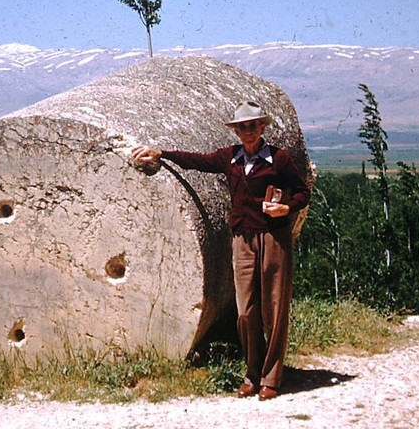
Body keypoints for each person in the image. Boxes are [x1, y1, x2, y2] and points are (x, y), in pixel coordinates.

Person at [131, 99, 311, 401]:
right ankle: (253, 374)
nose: (248, 131)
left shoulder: (278, 159)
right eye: (242, 127)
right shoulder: (230, 157)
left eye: (252, 126)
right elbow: (197, 161)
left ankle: (271, 378)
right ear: (236, 131)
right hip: (242, 239)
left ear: (262, 127)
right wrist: (161, 154)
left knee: (274, 308)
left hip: (273, 238)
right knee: (246, 311)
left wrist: (287, 208)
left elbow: (302, 191)